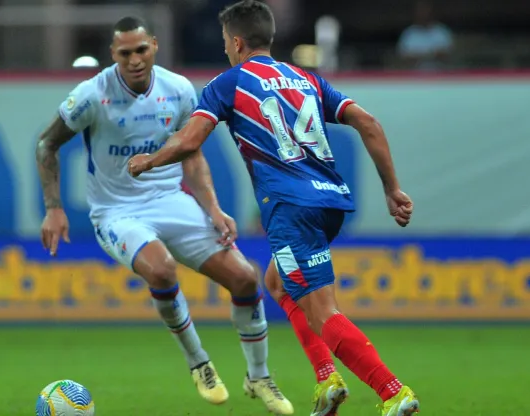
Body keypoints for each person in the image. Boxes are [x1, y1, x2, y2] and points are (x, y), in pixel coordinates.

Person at [127, 1, 420, 415]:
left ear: (237, 41)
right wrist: (392, 189)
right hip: (329, 201)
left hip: (290, 207)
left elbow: (190, 140)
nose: (227, 49)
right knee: (279, 284)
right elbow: (368, 123)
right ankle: (327, 380)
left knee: (323, 310)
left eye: (228, 42)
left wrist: (149, 161)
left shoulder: (229, 83)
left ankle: (393, 393)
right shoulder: (306, 78)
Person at [35, 16, 294, 415]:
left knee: (245, 278)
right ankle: (199, 364)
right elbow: (46, 145)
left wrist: (213, 209)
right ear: (113, 55)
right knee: (162, 270)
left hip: (172, 200)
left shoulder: (177, 90)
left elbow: (192, 154)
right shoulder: (92, 94)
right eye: (125, 53)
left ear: (154, 46)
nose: (135, 60)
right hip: (116, 211)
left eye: (141, 50)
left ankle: (258, 376)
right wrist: (54, 208)